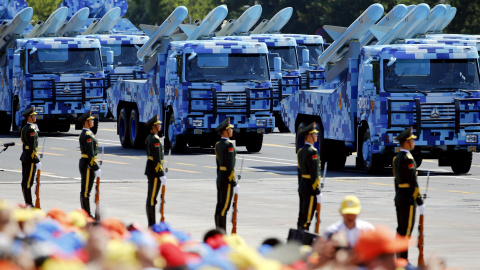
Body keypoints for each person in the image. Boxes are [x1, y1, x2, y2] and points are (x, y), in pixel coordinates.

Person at [392, 127, 424, 261]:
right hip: (408, 199)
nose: (413, 142)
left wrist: (398, 195)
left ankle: (398, 258)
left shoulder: (396, 158)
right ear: (406, 142)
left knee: (400, 230)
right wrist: (419, 201)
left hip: (399, 196)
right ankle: (403, 261)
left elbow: (396, 181)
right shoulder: (408, 158)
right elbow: (413, 182)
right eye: (412, 140)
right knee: (406, 232)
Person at [214, 118, 238, 231]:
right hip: (227, 180)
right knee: (224, 207)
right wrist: (233, 182)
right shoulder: (229, 146)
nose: (232, 130)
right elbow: (230, 167)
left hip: (220, 178)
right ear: (225, 131)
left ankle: (218, 231)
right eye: (230, 129)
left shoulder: (218, 144)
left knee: (219, 206)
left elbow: (219, 165)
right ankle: (222, 233)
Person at [296, 122, 321, 231]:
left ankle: (299, 231)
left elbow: (299, 172)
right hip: (310, 187)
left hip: (302, 185)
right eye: (314, 134)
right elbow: (314, 173)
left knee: (302, 211)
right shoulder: (312, 152)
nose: (316, 136)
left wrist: (300, 185)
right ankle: (304, 234)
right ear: (309, 136)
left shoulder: (300, 151)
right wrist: (317, 190)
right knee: (308, 213)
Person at [144, 115, 166, 227]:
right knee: (152, 198)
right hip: (154, 171)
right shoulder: (155, 139)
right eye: (158, 124)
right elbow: (157, 159)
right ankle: (151, 223)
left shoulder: (150, 137)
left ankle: (151, 222)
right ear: (154, 127)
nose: (160, 126)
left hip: (151, 170)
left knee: (151, 197)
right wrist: (161, 174)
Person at [78, 110, 100, 218]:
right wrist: (96, 167)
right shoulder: (87, 135)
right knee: (86, 191)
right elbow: (90, 154)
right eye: (91, 120)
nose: (93, 121)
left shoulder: (88, 134)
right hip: (88, 165)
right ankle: (86, 214)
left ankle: (86, 213)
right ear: (86, 122)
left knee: (86, 190)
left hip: (88, 164)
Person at [20, 107, 41, 207]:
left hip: (25, 156)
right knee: (28, 182)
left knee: (25, 180)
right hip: (30, 157)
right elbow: (32, 147)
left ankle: (28, 203)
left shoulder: (25, 128)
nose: (35, 117)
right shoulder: (31, 129)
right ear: (29, 117)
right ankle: (29, 203)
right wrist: (36, 159)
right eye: (34, 116)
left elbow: (24, 144)